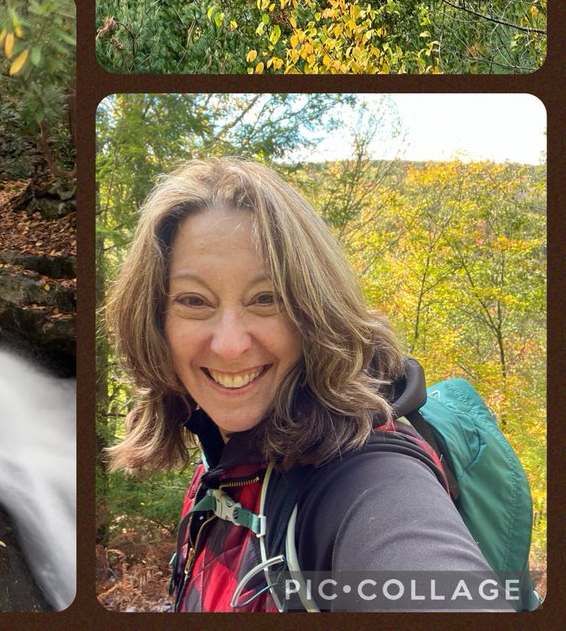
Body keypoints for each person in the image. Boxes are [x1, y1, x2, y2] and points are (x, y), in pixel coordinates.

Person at [105, 158, 516, 612]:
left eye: (267, 299)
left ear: (313, 314)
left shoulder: (366, 477)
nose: (228, 345)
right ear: (155, 320)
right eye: (193, 301)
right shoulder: (222, 453)